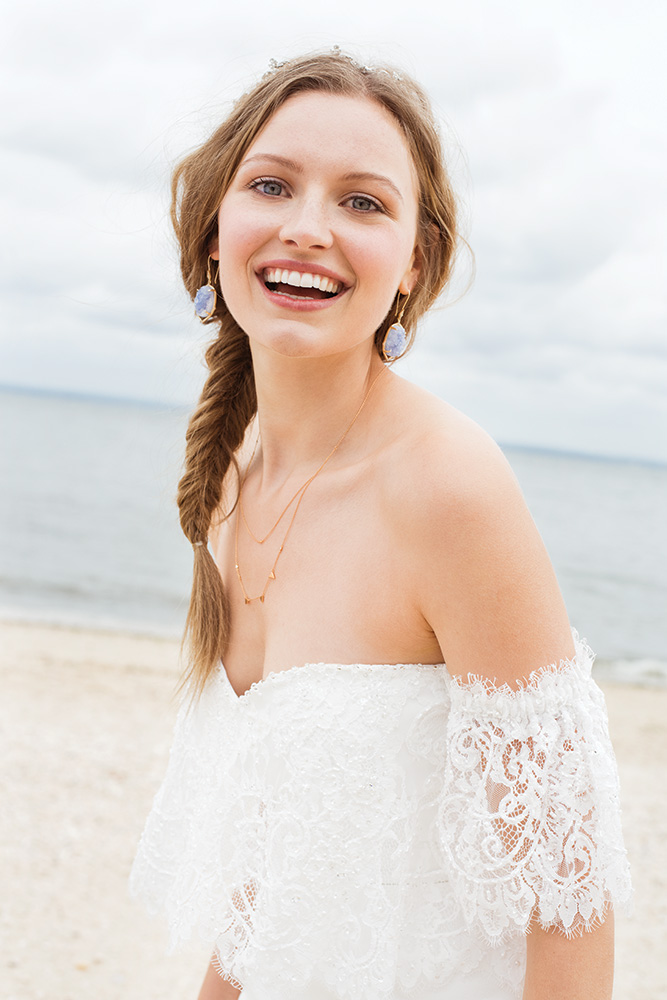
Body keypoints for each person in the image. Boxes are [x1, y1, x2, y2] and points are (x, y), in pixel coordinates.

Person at [130, 50, 632, 1000]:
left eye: (363, 202)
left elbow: (566, 898)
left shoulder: (447, 487)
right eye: (271, 185)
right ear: (213, 234)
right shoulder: (230, 485)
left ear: (413, 266)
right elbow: (266, 861)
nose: (307, 228)